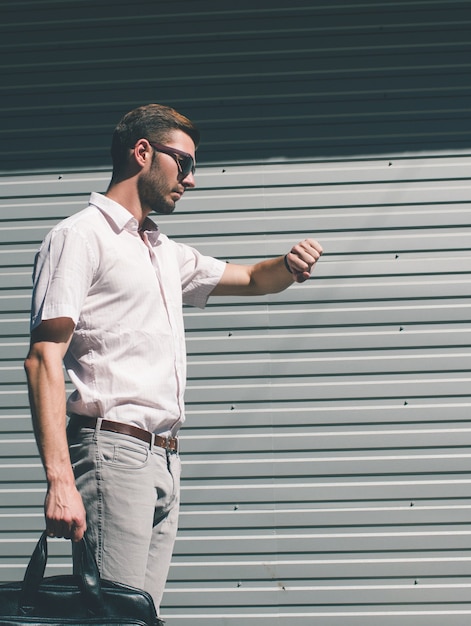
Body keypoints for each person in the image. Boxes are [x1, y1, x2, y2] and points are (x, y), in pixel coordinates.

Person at [23, 103, 323, 616]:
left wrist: (289, 265)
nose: (192, 179)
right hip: (111, 450)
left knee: (141, 616)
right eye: (183, 164)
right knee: (112, 618)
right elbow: (43, 357)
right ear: (143, 152)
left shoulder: (165, 252)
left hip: (164, 458)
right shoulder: (79, 236)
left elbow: (252, 279)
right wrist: (59, 481)